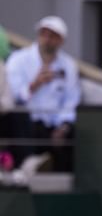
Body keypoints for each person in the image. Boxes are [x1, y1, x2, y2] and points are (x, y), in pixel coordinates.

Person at [6, 16, 81, 172]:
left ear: (61, 40)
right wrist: (35, 84)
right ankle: (26, 167)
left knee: (73, 133)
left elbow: (71, 101)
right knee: (18, 117)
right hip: (27, 123)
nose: (47, 39)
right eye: (44, 34)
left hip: (54, 126)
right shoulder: (18, 60)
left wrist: (63, 127)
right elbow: (14, 96)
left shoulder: (68, 66)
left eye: (52, 36)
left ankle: (68, 179)